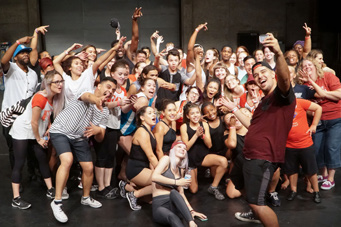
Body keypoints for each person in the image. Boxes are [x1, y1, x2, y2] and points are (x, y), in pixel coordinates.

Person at [221, 33, 296, 226]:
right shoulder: (264, 101)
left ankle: (257, 209)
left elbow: (286, 80)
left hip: (263, 157)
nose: (259, 76)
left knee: (257, 202)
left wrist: (278, 53)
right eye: (256, 75)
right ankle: (255, 210)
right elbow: (252, 126)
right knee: (237, 182)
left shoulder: (282, 96)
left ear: (274, 75)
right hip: (247, 154)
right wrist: (234, 109)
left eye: (264, 72)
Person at [49, 77, 116, 223]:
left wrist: (98, 130)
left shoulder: (104, 111)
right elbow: (88, 97)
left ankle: (85, 197)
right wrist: (97, 100)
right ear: (99, 86)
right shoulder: (86, 92)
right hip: (61, 131)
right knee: (67, 160)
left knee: (88, 167)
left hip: (79, 137)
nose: (110, 91)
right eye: (108, 87)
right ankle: (57, 201)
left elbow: (100, 138)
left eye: (113, 90)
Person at [9, 70, 64, 209]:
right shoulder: (40, 97)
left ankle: (51, 189)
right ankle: (16, 199)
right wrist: (39, 139)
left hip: (36, 131)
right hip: (23, 130)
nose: (60, 85)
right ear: (48, 84)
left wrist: (49, 127)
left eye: (61, 81)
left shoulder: (54, 97)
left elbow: (47, 115)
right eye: (56, 82)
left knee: (42, 159)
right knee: (20, 162)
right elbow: (34, 122)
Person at [298, 56, 341, 191]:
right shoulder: (303, 86)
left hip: (335, 118)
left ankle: (331, 178)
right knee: (317, 148)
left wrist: (314, 84)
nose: (307, 68)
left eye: (310, 65)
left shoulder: (328, 77)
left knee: (331, 147)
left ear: (316, 66)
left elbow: (339, 95)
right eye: (304, 66)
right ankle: (323, 174)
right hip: (319, 121)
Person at [1, 36, 38, 170]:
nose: (26, 55)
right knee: (13, 149)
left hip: (27, 115)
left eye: (27, 53)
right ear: (15, 57)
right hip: (10, 114)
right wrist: (18, 42)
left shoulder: (33, 74)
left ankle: (33, 173)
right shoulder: (10, 69)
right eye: (22, 53)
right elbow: (3, 60)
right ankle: (17, 178)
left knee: (31, 146)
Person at [152, 141, 207, 227]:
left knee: (174, 192)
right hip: (160, 206)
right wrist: (176, 182)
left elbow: (181, 194)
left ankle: (191, 222)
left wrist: (191, 211)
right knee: (173, 217)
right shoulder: (166, 159)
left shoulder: (181, 170)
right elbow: (154, 177)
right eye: (179, 147)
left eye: (184, 148)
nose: (182, 149)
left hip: (174, 205)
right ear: (172, 150)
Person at [180, 103, 227, 200]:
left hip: (203, 157)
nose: (195, 115)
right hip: (190, 160)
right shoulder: (184, 126)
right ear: (188, 116)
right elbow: (186, 147)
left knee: (223, 161)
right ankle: (185, 174)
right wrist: (196, 135)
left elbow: (209, 145)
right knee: (194, 190)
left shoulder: (204, 124)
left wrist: (203, 136)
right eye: (192, 113)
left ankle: (213, 187)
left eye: (197, 112)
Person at [284, 97, 322, 203]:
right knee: (291, 170)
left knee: (311, 170)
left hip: (305, 143)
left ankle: (316, 192)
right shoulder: (279, 105)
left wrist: (314, 125)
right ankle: (293, 190)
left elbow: (318, 108)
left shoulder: (299, 101)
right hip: (289, 145)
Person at [121, 106, 158, 211]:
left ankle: (126, 186)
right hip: (136, 169)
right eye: (150, 113)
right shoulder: (142, 132)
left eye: (154, 113)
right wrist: (163, 172)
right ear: (142, 117)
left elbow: (150, 156)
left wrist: (154, 170)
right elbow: (151, 156)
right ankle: (134, 195)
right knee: (161, 181)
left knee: (150, 200)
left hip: (144, 167)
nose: (154, 115)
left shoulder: (150, 131)